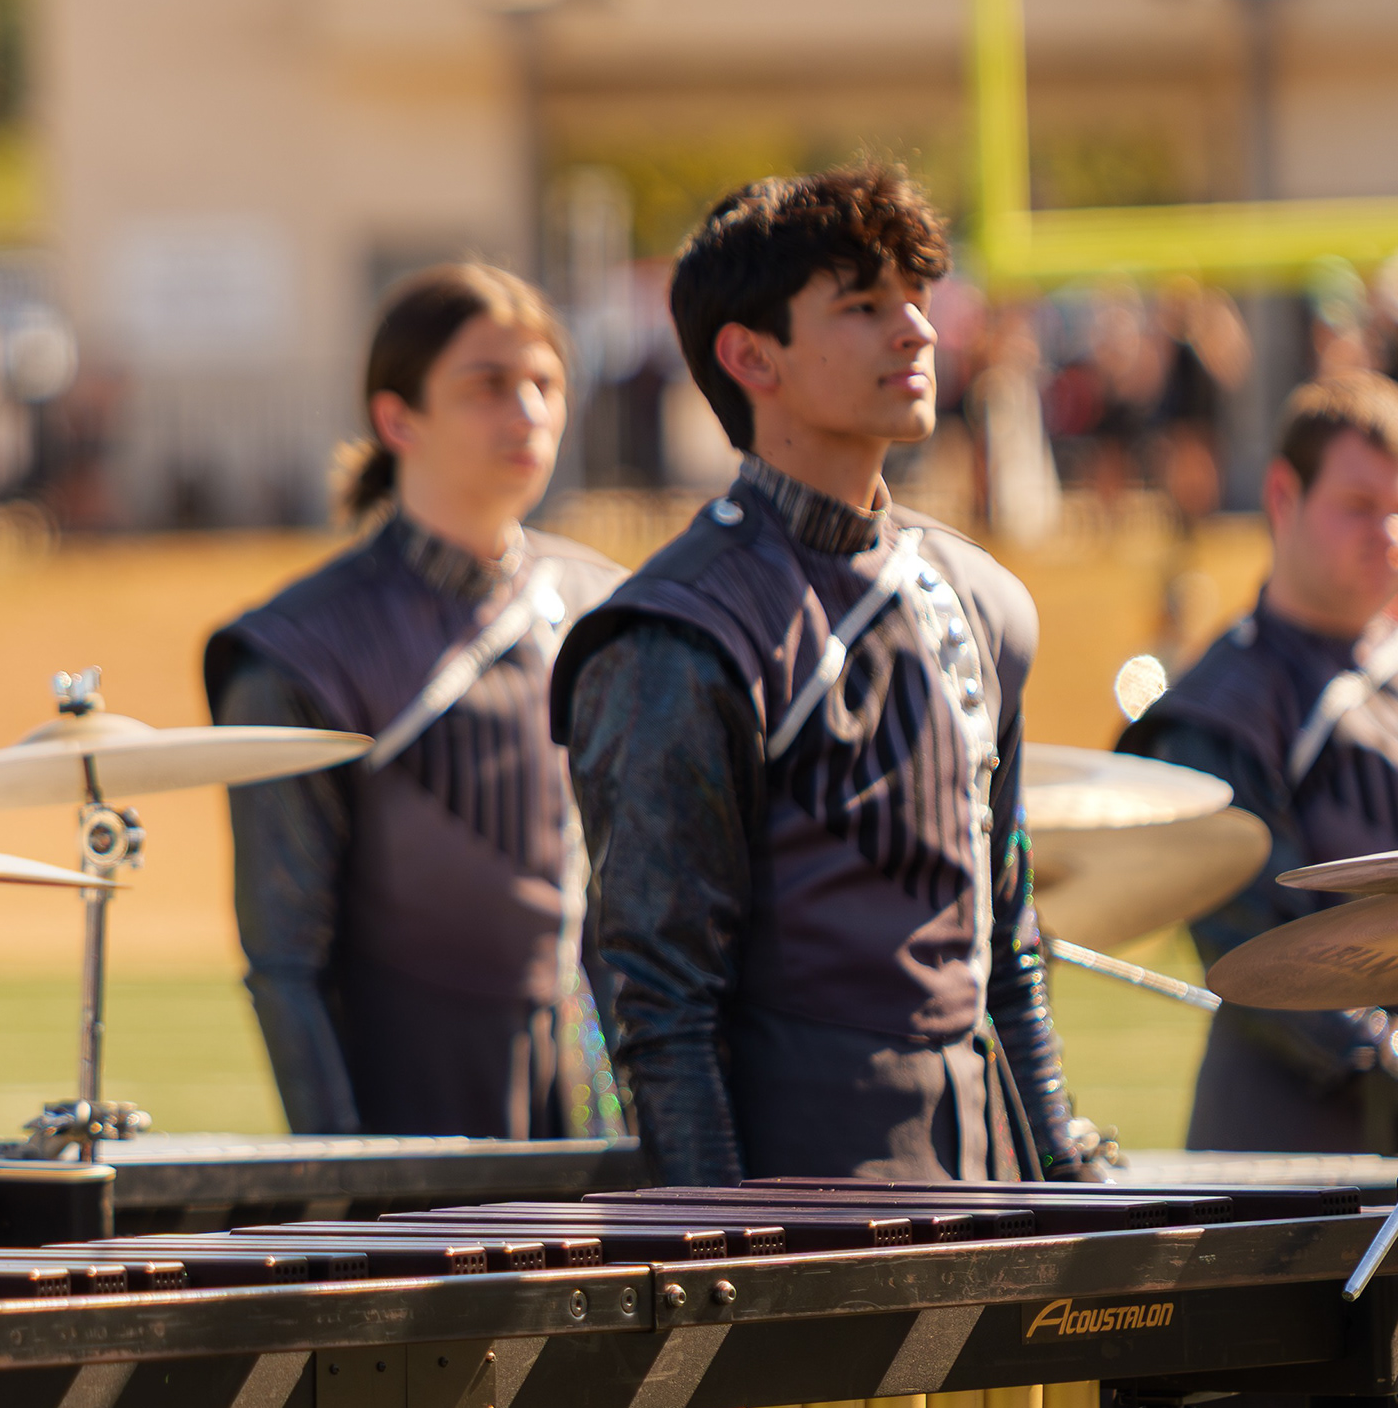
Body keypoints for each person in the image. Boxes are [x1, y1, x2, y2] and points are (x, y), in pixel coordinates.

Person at [552, 166, 1091, 1185]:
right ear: (750, 355)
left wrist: (1065, 1179)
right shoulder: (676, 634)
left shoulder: (984, 601)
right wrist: (731, 1248)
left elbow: (1009, 947)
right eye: (863, 305)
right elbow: (659, 1005)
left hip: (984, 1189)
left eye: (917, 297)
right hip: (798, 1210)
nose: (917, 329)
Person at [203, 263, 622, 1140]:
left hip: (602, 1108)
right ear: (397, 419)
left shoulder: (611, 611)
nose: (529, 413)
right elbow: (285, 958)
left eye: (545, 384)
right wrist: (353, 1181)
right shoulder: (303, 650)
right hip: (410, 1119)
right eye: (488, 386)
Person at [1119, 372, 1398, 1151]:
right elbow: (1261, 947)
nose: (1388, 534)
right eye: (1359, 505)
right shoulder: (1221, 709)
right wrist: (1382, 1053)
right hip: (1291, 1161)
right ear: (1282, 496)